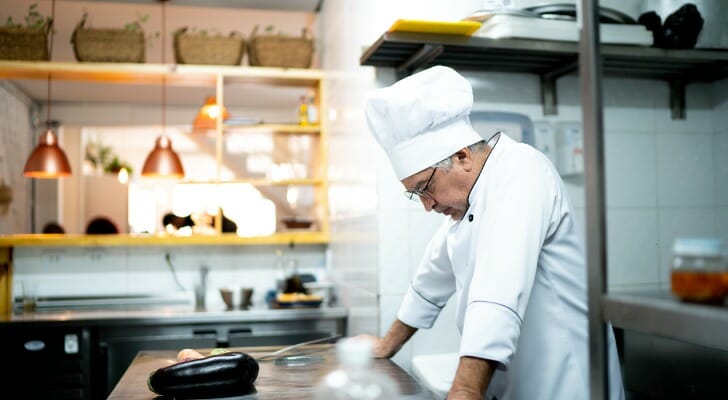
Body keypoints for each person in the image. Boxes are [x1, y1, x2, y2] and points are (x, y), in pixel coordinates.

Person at [358, 66, 624, 400]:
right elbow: (432, 276)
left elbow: (497, 288)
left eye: (425, 188)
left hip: (569, 382)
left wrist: (466, 389)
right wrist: (387, 344)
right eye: (415, 194)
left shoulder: (521, 170)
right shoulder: (470, 202)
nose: (427, 205)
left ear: (462, 157)